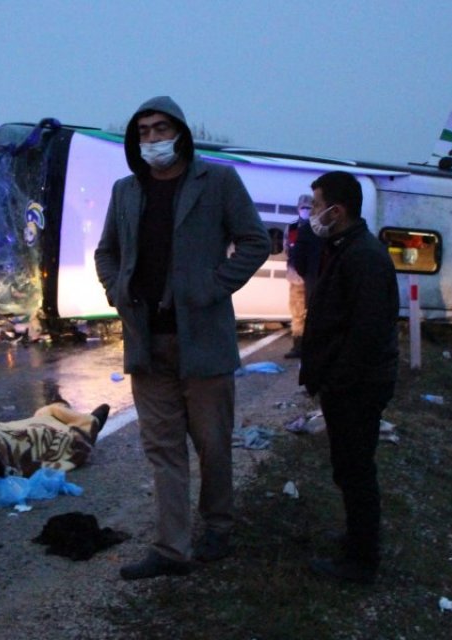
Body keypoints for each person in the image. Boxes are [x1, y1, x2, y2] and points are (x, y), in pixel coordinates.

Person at [94, 96, 269, 580]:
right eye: (143, 131)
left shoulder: (218, 182)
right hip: (148, 344)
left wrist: (213, 287)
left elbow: (255, 240)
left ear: (181, 132)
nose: (151, 138)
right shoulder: (126, 191)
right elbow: (106, 252)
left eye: (160, 128)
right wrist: (116, 290)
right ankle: (172, 549)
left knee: (212, 443)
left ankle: (218, 526)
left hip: (203, 339)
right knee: (163, 449)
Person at [298, 171, 400, 585]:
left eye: (317, 205)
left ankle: (361, 561)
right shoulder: (345, 248)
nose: (312, 213)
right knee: (348, 467)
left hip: (357, 386)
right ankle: (356, 540)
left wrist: (337, 381)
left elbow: (366, 332)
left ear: (337, 211)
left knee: (356, 470)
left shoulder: (364, 256)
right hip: (348, 384)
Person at [284, 193, 321, 358]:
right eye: (303, 207)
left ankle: (312, 346)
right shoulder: (292, 227)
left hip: (314, 276)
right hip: (296, 277)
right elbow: (288, 249)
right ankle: (297, 346)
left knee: (315, 312)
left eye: (308, 207)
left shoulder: (318, 227)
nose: (305, 210)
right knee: (297, 312)